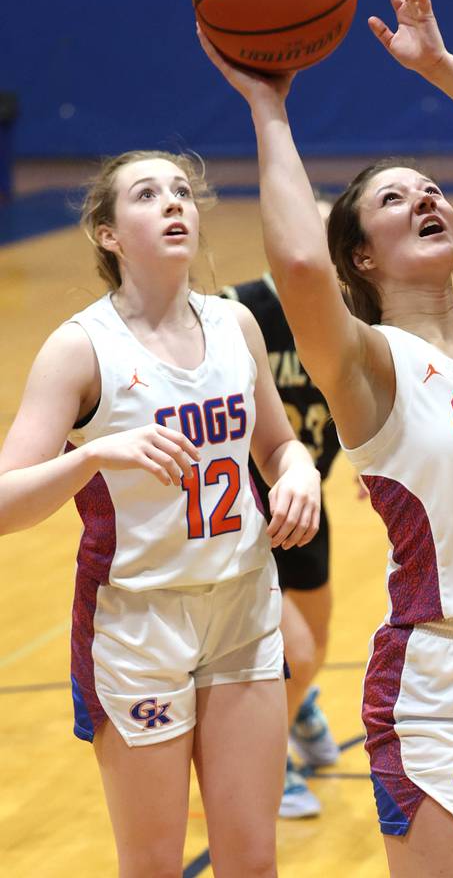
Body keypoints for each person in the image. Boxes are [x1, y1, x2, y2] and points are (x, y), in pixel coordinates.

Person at [200, 0, 453, 877]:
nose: (424, 196)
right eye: (392, 198)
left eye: (429, 188)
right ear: (364, 260)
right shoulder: (370, 364)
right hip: (444, 680)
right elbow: (299, 269)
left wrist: (440, 66)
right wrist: (269, 108)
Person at [0, 151, 321, 878]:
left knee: (253, 860)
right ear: (109, 234)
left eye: (182, 191)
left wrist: (299, 471)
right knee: (150, 864)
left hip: (241, 605)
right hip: (137, 622)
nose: (174, 203)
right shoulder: (80, 348)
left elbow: (277, 447)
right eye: (147, 195)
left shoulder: (236, 324)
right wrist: (89, 458)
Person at [222, 255, 342, 820]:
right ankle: (273, 758)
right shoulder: (238, 309)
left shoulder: (344, 309)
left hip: (309, 497)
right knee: (295, 650)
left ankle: (296, 709)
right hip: (247, 504)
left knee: (316, 645)